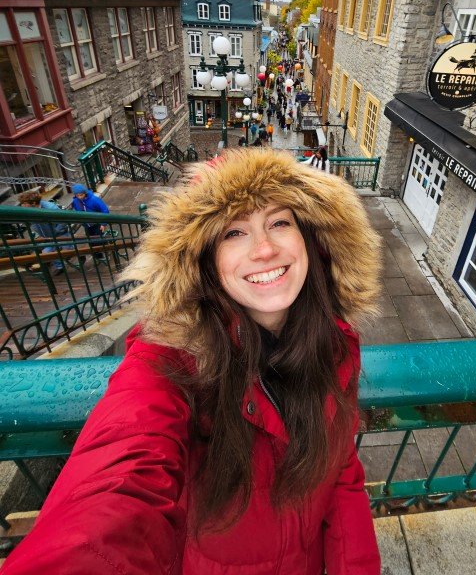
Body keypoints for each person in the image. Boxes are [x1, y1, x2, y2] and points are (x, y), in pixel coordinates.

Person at [3, 148, 382, 574]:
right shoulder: (172, 361)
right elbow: (121, 475)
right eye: (232, 233)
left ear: (311, 241)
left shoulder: (335, 346)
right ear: (203, 261)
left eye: (279, 222)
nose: (263, 249)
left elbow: (341, 470)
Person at [17, 189, 70, 275]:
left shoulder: (50, 208)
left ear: (33, 203)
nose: (22, 205)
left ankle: (61, 264)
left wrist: (56, 232)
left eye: (24, 203)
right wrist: (39, 235)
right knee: (39, 250)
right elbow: (33, 224)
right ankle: (58, 265)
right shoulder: (29, 210)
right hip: (46, 237)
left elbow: (63, 221)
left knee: (48, 252)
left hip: (59, 235)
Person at [71, 184, 110, 261]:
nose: (79, 197)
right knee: (91, 240)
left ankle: (107, 250)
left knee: (99, 238)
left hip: (96, 223)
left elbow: (105, 210)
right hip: (86, 225)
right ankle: (98, 256)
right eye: (77, 195)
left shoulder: (94, 199)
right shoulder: (75, 201)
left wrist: (103, 224)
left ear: (85, 193)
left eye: (81, 195)